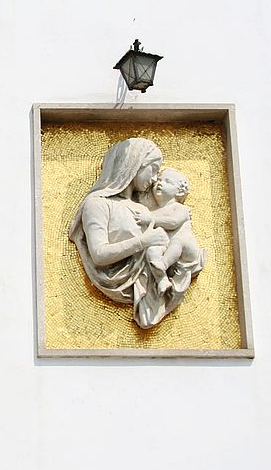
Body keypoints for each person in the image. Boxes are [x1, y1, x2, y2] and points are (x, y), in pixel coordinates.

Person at [68, 137, 194, 329]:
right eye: (153, 170)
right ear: (134, 164)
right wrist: (143, 241)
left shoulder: (143, 210)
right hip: (115, 279)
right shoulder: (98, 204)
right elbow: (99, 254)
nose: (154, 179)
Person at [135, 167, 206, 295]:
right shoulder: (154, 211)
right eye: (158, 181)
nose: (160, 183)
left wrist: (150, 219)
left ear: (179, 192)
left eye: (168, 182)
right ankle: (162, 279)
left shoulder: (180, 209)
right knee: (152, 251)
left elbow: (173, 222)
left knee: (178, 240)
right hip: (168, 249)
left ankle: (163, 263)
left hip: (187, 250)